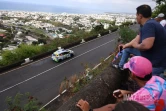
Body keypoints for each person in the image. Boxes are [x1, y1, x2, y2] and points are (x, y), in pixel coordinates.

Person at [77, 56, 166, 111]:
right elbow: (148, 95)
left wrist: (89, 110)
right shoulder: (159, 80)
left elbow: (113, 108)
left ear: (133, 74)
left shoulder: (137, 99)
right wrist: (126, 93)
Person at [112, 4, 166, 76]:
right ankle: (121, 66)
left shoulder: (149, 25)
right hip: (154, 57)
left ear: (140, 16)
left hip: (154, 62)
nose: (136, 17)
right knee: (127, 49)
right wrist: (125, 46)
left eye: (136, 15)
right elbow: (136, 39)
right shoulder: (150, 23)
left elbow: (146, 46)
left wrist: (136, 45)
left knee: (147, 84)